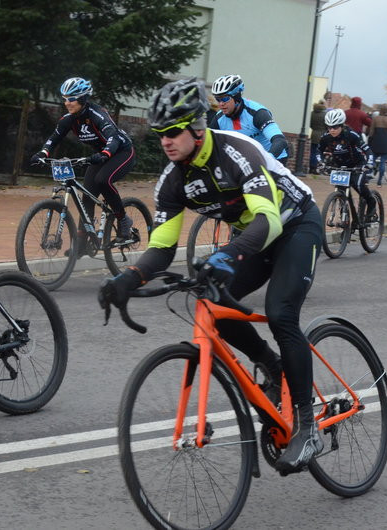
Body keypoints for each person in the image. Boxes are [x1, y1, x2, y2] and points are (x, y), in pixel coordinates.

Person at [98, 78, 324, 474]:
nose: (165, 141)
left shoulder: (237, 151)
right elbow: (163, 246)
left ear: (197, 128)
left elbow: (268, 220)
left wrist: (228, 254)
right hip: (254, 236)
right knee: (212, 301)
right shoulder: (172, 179)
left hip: (294, 224)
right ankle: (272, 367)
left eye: (173, 132)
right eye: (160, 134)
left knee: (281, 313)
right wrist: (129, 278)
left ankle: (308, 427)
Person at [31, 77, 136, 251]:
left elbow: (113, 136)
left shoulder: (97, 114)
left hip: (121, 152)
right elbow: (53, 139)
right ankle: (82, 241)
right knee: (87, 194)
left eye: (71, 99)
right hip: (100, 155)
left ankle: (123, 219)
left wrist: (105, 153)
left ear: (83, 98)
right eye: (64, 98)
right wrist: (42, 153)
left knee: (103, 180)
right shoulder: (68, 119)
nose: (67, 103)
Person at [209, 74, 289, 166]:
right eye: (217, 99)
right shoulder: (219, 119)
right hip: (248, 160)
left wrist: (267, 159)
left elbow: (280, 140)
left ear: (237, 97)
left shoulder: (257, 113)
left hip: (274, 157)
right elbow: (209, 144)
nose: (221, 104)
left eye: (225, 98)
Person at [316, 109, 377, 216]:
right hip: (340, 166)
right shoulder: (326, 137)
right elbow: (319, 150)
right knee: (341, 192)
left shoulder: (351, 135)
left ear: (342, 125)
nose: (332, 130)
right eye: (329, 127)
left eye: (335, 127)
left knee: (358, 184)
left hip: (357, 164)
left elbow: (367, 150)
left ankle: (371, 202)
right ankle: (346, 218)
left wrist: (369, 163)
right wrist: (321, 163)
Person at [367, 104, 387, 186]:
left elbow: (371, 132)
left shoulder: (375, 119)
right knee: (383, 163)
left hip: (375, 143)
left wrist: (369, 142)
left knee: (372, 161)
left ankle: (368, 178)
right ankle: (379, 181)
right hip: (386, 144)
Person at [308, 99, 326, 174]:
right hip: (322, 135)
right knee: (319, 152)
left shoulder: (312, 113)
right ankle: (316, 168)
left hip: (314, 134)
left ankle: (311, 167)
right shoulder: (325, 114)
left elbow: (310, 124)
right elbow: (327, 125)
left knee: (312, 151)